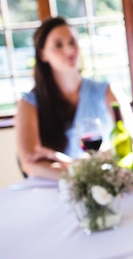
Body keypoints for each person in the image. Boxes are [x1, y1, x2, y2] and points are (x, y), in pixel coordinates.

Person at [15, 17, 122, 180]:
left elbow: (128, 141)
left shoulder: (106, 91)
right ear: (43, 54)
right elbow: (30, 163)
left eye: (72, 42)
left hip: (105, 184)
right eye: (58, 45)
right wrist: (78, 173)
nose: (69, 50)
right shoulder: (29, 103)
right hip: (55, 193)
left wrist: (71, 164)